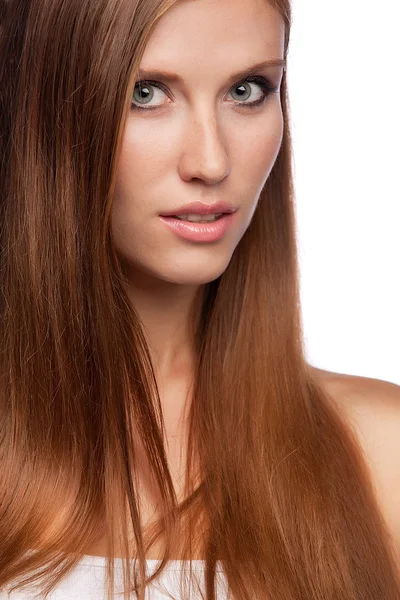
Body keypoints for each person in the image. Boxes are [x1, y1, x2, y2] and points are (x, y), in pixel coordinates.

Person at [0, 0, 399, 598]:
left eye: (247, 89)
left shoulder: (379, 453)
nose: (211, 161)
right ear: (36, 107)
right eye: (146, 93)